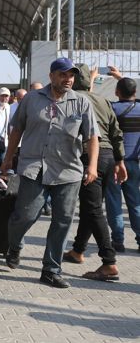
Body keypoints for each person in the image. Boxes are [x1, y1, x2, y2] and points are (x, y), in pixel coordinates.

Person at [1, 57, 99, 289]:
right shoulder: (32, 100)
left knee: (63, 221)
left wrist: (92, 165)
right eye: (63, 74)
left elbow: (92, 137)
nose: (68, 79)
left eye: (71, 75)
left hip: (68, 171)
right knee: (25, 215)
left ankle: (51, 269)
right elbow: (17, 130)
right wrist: (7, 159)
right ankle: (14, 245)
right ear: (52, 76)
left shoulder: (81, 103)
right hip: (34, 167)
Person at [62, 64, 125, 281]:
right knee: (92, 207)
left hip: (88, 157)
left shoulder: (70, 99)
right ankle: (78, 250)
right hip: (107, 157)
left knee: (94, 209)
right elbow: (116, 132)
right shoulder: (102, 100)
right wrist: (120, 160)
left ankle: (109, 262)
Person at [106, 77, 140, 253]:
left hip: (115, 163)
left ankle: (118, 241)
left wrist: (94, 79)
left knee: (113, 202)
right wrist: (121, 78)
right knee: (135, 203)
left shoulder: (112, 109)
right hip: (134, 163)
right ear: (135, 92)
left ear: (117, 92)